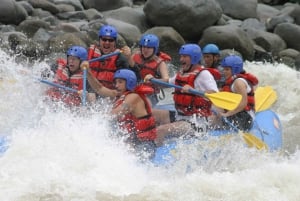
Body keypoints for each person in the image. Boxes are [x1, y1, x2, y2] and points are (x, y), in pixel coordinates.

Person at [80, 61, 158, 160]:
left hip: (144, 146)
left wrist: (89, 115)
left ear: (129, 82)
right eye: (116, 82)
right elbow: (99, 89)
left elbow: (113, 114)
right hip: (131, 143)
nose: (116, 85)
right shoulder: (120, 95)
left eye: (120, 82)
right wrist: (88, 72)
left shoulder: (133, 98)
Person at [144, 43, 219, 145]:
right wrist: (153, 81)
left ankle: (152, 157)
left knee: (160, 130)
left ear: (193, 58)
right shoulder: (183, 72)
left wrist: (194, 90)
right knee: (146, 113)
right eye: (181, 56)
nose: (181, 59)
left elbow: (215, 94)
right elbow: (167, 83)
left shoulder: (204, 74)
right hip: (180, 116)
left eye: (184, 56)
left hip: (196, 122)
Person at [122, 33, 170, 106]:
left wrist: (153, 79)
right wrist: (127, 56)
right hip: (134, 90)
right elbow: (131, 68)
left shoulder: (160, 63)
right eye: (143, 47)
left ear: (155, 49)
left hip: (150, 95)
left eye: (149, 48)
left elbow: (166, 81)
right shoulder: (135, 55)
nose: (145, 50)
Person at [214, 55, 259, 131]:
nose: (224, 72)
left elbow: (243, 103)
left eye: (227, 69)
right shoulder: (230, 81)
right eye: (224, 69)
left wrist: (227, 114)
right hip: (236, 114)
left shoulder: (239, 82)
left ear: (235, 69)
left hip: (245, 117)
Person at [87, 25, 130, 94]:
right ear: (99, 40)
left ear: (115, 42)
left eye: (111, 40)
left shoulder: (120, 58)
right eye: (104, 39)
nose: (107, 42)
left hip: (109, 94)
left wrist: (129, 59)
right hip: (89, 92)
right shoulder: (89, 52)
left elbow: (128, 81)